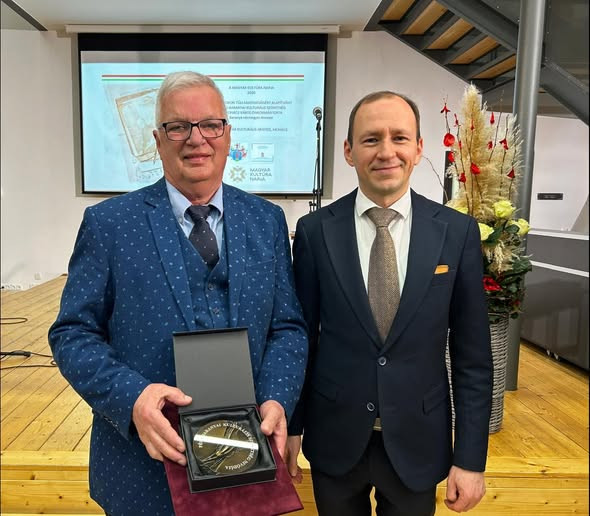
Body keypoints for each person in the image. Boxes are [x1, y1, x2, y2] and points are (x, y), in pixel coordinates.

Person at [49, 71, 308, 515]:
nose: (196, 139)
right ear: (157, 139)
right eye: (178, 127)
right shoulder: (109, 225)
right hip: (142, 472)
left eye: (210, 125)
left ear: (227, 134)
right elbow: (72, 333)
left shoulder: (266, 221)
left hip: (247, 464)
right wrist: (132, 398)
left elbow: (287, 328)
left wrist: (276, 398)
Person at [285, 91, 493, 515]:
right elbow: (302, 340)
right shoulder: (314, 232)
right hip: (335, 436)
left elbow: (473, 357)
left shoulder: (457, 233)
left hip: (419, 439)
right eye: (371, 139)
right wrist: (292, 427)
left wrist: (471, 458)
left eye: (399, 137)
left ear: (418, 148)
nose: (386, 151)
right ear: (348, 151)